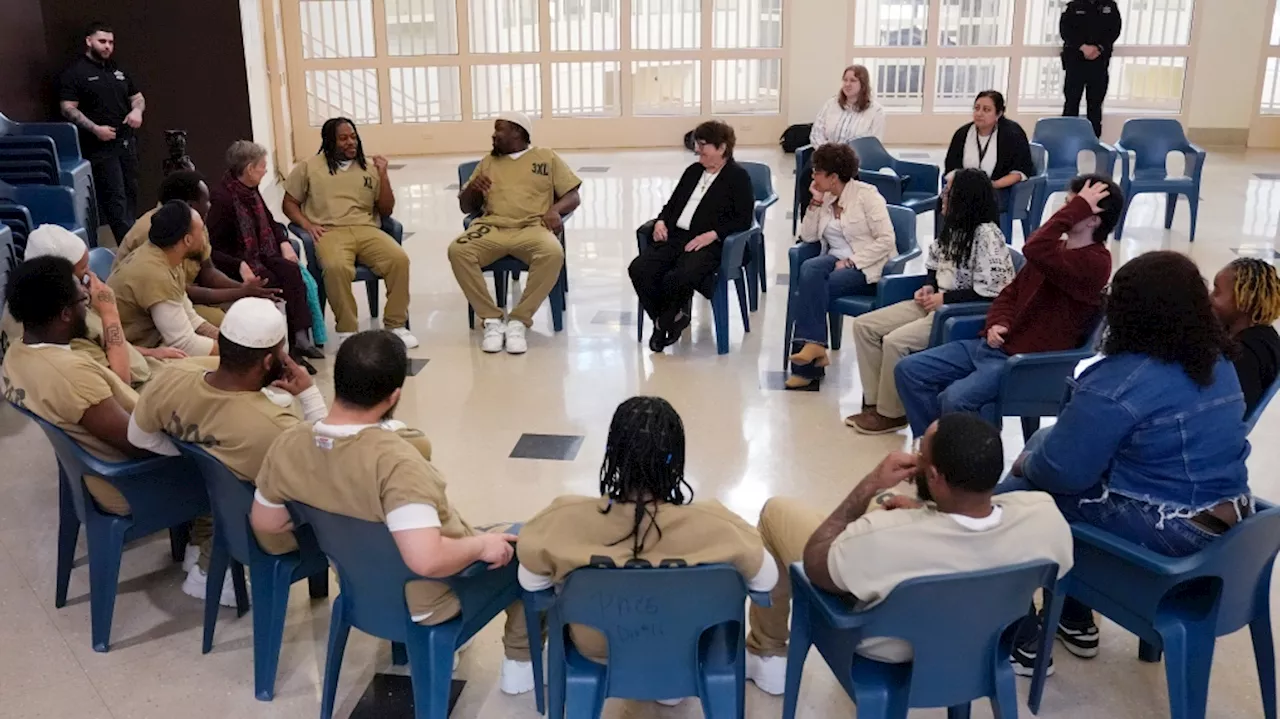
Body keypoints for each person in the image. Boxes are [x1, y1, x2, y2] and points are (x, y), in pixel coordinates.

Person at [249, 330, 536, 694]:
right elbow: (427, 560)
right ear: (394, 396)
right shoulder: (397, 460)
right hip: (430, 600)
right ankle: (520, 664)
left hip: (359, 590)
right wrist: (482, 547)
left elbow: (266, 521)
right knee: (526, 544)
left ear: (337, 381)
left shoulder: (289, 444)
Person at [1005, 250, 1250, 675]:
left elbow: (1064, 472)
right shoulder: (1219, 360)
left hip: (1172, 529)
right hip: (1231, 522)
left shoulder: (1120, 378)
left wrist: (1026, 466)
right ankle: (1073, 617)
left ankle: (1021, 640)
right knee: (1053, 444)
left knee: (1008, 503)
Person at [740, 414, 1073, 695]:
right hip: (980, 643)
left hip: (884, 650)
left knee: (776, 512)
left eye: (921, 453)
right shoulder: (1043, 516)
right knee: (884, 505)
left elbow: (816, 565)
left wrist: (869, 484)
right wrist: (926, 508)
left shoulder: (880, 537)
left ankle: (768, 652)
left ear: (934, 477)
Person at [1, 256, 224, 603]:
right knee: (236, 444)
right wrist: (202, 442)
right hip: (128, 482)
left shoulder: (17, 353)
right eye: (81, 300)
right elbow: (138, 442)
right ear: (63, 315)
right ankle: (207, 566)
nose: (87, 304)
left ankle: (198, 541)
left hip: (99, 460)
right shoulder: (72, 377)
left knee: (217, 383)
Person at [517, 397, 778, 674]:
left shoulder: (563, 518)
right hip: (687, 647)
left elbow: (531, 584)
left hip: (595, 650)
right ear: (677, 460)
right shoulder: (717, 524)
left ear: (612, 455)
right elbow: (767, 580)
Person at [128, 298, 328, 598]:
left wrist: (193, 456)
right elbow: (333, 463)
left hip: (218, 501)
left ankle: (203, 548)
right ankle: (207, 570)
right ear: (268, 362)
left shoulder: (170, 378)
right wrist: (310, 395)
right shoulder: (273, 427)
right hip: (262, 529)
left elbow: (137, 436)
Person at [894, 175, 1119, 438]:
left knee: (955, 399)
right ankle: (936, 447)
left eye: (1074, 206)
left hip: (1025, 362)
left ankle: (960, 465)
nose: (1065, 211)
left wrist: (1077, 207)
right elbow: (1009, 292)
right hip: (995, 345)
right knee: (909, 371)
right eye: (1068, 204)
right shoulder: (1055, 248)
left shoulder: (1095, 263)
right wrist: (997, 322)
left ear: (1093, 219)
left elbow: (1033, 247)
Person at [848, 169, 1015, 433]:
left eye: (949, 191)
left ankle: (891, 414)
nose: (943, 196)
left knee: (895, 342)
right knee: (864, 327)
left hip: (957, 311)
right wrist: (928, 287)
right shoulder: (952, 226)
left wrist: (945, 298)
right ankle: (875, 403)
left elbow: (994, 291)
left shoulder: (986, 234)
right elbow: (935, 266)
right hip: (935, 302)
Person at [282, 117, 418, 349]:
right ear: (330, 142)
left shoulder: (369, 168)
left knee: (399, 260)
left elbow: (386, 209)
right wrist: (307, 224)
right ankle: (348, 330)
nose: (350, 142)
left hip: (366, 229)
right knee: (336, 268)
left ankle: (395, 324)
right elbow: (289, 203)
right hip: (330, 232)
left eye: (353, 137)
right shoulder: (309, 167)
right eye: (343, 138)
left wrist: (384, 175)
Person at [451, 112, 580, 355]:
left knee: (552, 253)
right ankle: (491, 320)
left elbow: (573, 195)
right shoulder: (488, 162)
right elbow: (466, 207)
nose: (493, 135)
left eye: (499, 129)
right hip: (491, 227)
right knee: (458, 251)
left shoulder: (546, 157)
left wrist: (555, 209)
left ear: (518, 132)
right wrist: (473, 190)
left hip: (532, 227)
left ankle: (518, 321)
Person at [0, 225, 188, 388]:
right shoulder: (57, 324)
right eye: (83, 275)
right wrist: (109, 312)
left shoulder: (32, 300)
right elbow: (120, 383)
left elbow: (103, 345)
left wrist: (151, 352)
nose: (91, 280)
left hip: (148, 367)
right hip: (139, 390)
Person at [629, 120, 753, 353]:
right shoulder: (693, 171)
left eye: (704, 146)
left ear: (722, 148)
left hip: (708, 243)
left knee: (679, 275)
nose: (698, 150)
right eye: (697, 145)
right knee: (639, 268)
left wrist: (714, 235)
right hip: (676, 237)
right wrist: (661, 221)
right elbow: (672, 204)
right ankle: (672, 317)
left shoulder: (737, 177)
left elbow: (743, 219)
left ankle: (661, 325)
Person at [785, 143, 895, 391]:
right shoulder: (825, 198)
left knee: (812, 287)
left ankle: (807, 367)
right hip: (833, 257)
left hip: (865, 265)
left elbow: (887, 240)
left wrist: (852, 262)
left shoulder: (867, 195)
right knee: (811, 270)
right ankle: (815, 346)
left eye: (817, 172)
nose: (812, 176)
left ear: (833, 177)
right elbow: (809, 237)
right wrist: (814, 202)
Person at [208, 141, 325, 369]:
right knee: (274, 283)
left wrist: (283, 242)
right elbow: (212, 247)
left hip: (262, 253)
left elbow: (271, 222)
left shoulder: (250, 190)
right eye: (262, 166)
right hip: (239, 262)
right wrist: (238, 264)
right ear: (250, 169)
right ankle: (285, 353)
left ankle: (300, 339)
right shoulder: (222, 199)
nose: (265, 170)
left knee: (292, 272)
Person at [114, 170, 279, 327]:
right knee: (229, 324)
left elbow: (208, 272)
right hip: (148, 316)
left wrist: (244, 288)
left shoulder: (195, 222)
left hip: (181, 300)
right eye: (206, 200)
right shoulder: (154, 231)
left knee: (250, 315)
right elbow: (180, 291)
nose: (210, 205)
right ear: (189, 205)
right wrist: (240, 293)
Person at [59, 21, 144, 242]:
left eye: (111, 42)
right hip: (99, 147)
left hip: (126, 142)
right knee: (115, 199)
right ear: (89, 41)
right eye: (102, 41)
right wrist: (95, 129)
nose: (107, 46)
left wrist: (137, 111)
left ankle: (133, 241)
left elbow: (137, 97)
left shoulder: (119, 69)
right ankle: (128, 249)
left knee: (131, 194)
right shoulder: (76, 72)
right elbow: (68, 108)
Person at [109, 201, 220, 355]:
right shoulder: (156, 273)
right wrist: (234, 354)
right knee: (231, 371)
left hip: (152, 348)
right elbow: (185, 344)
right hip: (134, 357)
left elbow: (190, 317)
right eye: (201, 230)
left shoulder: (168, 256)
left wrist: (226, 342)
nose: (204, 236)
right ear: (187, 240)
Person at [799, 64, 886, 220]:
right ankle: (810, 222)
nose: (847, 84)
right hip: (825, 157)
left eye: (853, 80)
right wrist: (827, 156)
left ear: (863, 84)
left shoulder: (876, 111)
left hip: (852, 162)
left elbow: (872, 142)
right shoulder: (831, 104)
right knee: (807, 176)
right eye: (845, 80)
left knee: (851, 184)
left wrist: (844, 160)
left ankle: (843, 224)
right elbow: (816, 132)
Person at [943, 91, 1035, 213]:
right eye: (976, 108)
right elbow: (952, 167)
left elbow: (1020, 172)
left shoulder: (1013, 134)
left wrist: (992, 185)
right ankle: (946, 233)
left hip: (1000, 190)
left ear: (999, 114)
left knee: (975, 204)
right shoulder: (962, 134)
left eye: (986, 110)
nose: (979, 113)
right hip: (966, 189)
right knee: (944, 202)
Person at [1210, 258, 1280, 417]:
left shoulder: (1249, 355)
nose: (1210, 298)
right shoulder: (1262, 334)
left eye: (1217, 291)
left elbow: (1230, 410)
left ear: (1243, 300)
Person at [1060, 0, 1122, 138]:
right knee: (1071, 103)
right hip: (1075, 62)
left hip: (1099, 63)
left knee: (1095, 105)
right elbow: (1066, 31)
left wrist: (1099, 48)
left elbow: (1114, 31)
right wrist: (1082, 47)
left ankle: (1093, 142)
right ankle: (1066, 140)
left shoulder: (1109, 6)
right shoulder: (1074, 6)